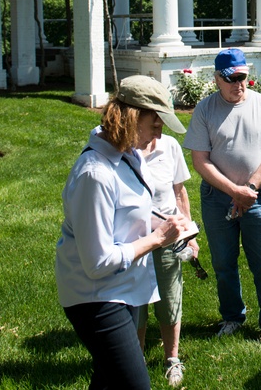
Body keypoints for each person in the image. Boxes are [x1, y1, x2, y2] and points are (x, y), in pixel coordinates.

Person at [56, 75, 191, 390]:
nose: (158, 135)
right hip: (96, 298)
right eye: (155, 125)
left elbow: (128, 217)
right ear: (132, 118)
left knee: (106, 382)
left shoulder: (128, 156)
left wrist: (164, 226)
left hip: (123, 289)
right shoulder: (96, 174)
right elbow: (98, 263)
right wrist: (158, 239)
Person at [183, 47, 261, 347]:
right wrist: (234, 192)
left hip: (257, 198)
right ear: (217, 79)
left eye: (242, 77)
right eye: (230, 79)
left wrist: (250, 189)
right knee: (224, 263)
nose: (238, 84)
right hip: (218, 199)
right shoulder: (205, 110)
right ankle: (232, 317)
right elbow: (200, 160)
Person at [137, 132, 198, 387]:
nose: (159, 127)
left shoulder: (169, 145)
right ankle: (135, 360)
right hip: (134, 239)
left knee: (170, 297)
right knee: (135, 301)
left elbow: (179, 192)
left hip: (169, 237)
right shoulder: (123, 148)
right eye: (155, 119)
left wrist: (189, 234)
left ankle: (172, 358)